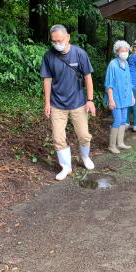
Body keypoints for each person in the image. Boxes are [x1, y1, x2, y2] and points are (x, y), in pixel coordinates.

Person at [40, 24, 96, 181]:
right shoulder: (48, 56)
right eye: (54, 41)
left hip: (78, 103)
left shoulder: (80, 54)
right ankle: (66, 166)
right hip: (57, 104)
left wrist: (90, 100)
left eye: (60, 40)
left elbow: (88, 77)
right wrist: (47, 103)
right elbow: (47, 80)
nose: (57, 43)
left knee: (84, 136)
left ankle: (85, 157)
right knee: (58, 138)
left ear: (68, 37)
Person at [105, 40, 136, 154]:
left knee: (123, 120)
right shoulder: (112, 64)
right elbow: (109, 84)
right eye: (122, 51)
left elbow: (129, 81)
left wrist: (132, 96)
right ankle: (112, 145)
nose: (125, 53)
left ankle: (120, 143)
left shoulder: (126, 64)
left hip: (126, 97)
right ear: (117, 52)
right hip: (116, 98)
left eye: (126, 50)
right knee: (117, 120)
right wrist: (111, 100)